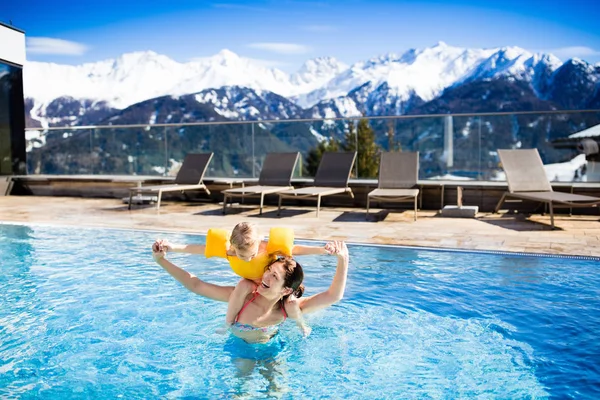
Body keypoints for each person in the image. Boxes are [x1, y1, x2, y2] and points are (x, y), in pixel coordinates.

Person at [151, 240, 349, 344]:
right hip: (241, 350)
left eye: (275, 277)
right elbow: (196, 285)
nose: (266, 277)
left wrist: (343, 259)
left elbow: (334, 296)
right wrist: (161, 260)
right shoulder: (243, 297)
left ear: (287, 289)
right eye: (268, 271)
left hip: (273, 351)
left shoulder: (288, 308)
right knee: (241, 392)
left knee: (277, 391)